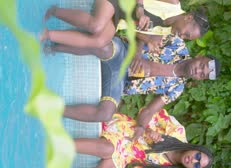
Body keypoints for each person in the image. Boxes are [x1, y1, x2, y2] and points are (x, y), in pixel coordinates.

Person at [48, 33, 221, 138]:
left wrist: (141, 127)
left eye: (202, 75)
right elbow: (142, 34)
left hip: (120, 81)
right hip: (124, 54)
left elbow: (149, 111)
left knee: (106, 112)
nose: (199, 71)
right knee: (105, 48)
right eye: (202, 66)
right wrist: (137, 55)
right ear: (199, 56)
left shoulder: (177, 88)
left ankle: (54, 110)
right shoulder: (177, 44)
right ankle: (54, 47)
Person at [40, 0, 210, 50]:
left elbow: (135, 30)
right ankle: (54, 11)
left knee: (100, 41)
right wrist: (140, 9)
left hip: (119, 18)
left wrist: (149, 40)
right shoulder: (172, 3)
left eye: (186, 38)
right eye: (187, 33)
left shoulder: (166, 32)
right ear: (188, 18)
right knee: (96, 25)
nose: (182, 37)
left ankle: (48, 34)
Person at [64, 108, 213, 168]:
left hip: (126, 156)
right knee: (107, 149)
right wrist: (148, 130)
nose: (193, 160)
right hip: (126, 132)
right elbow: (147, 112)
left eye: (196, 165)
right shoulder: (177, 132)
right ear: (196, 149)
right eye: (198, 156)